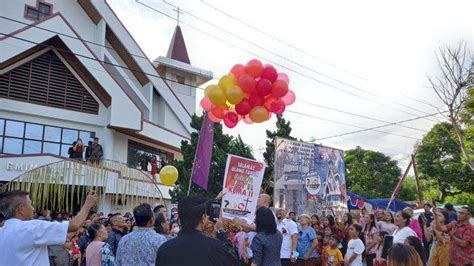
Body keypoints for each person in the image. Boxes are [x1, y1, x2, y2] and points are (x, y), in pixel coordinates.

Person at [0, 190, 98, 265]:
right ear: (21, 209)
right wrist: (88, 205)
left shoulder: (2, 231)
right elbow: (74, 225)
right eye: (30, 204)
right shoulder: (32, 228)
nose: (33, 208)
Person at [155, 195, 238, 266]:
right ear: (203, 218)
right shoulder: (215, 248)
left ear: (179, 220)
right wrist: (220, 231)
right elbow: (233, 260)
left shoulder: (164, 250)